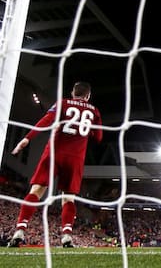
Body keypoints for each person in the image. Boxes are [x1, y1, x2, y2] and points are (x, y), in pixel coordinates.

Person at [8, 81, 103, 248]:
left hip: (54, 153)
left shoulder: (63, 103)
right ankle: (66, 236)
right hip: (75, 158)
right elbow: (99, 137)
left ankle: (20, 230)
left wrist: (27, 138)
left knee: (36, 191)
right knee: (68, 198)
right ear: (88, 96)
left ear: (73, 93)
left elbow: (47, 120)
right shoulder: (94, 111)